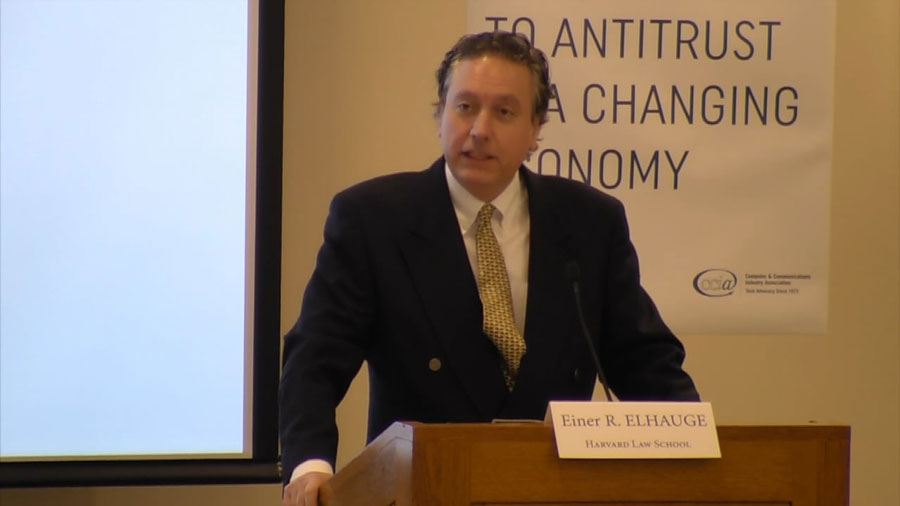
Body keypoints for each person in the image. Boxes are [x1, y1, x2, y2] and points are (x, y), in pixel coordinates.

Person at [279, 31, 699, 506]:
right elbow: (314, 359)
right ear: (441, 115)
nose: (479, 130)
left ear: (535, 129)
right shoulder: (373, 219)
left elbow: (644, 361)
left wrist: (696, 449)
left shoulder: (589, 222)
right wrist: (310, 465)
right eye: (465, 107)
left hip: (554, 492)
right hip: (424, 489)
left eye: (503, 112)